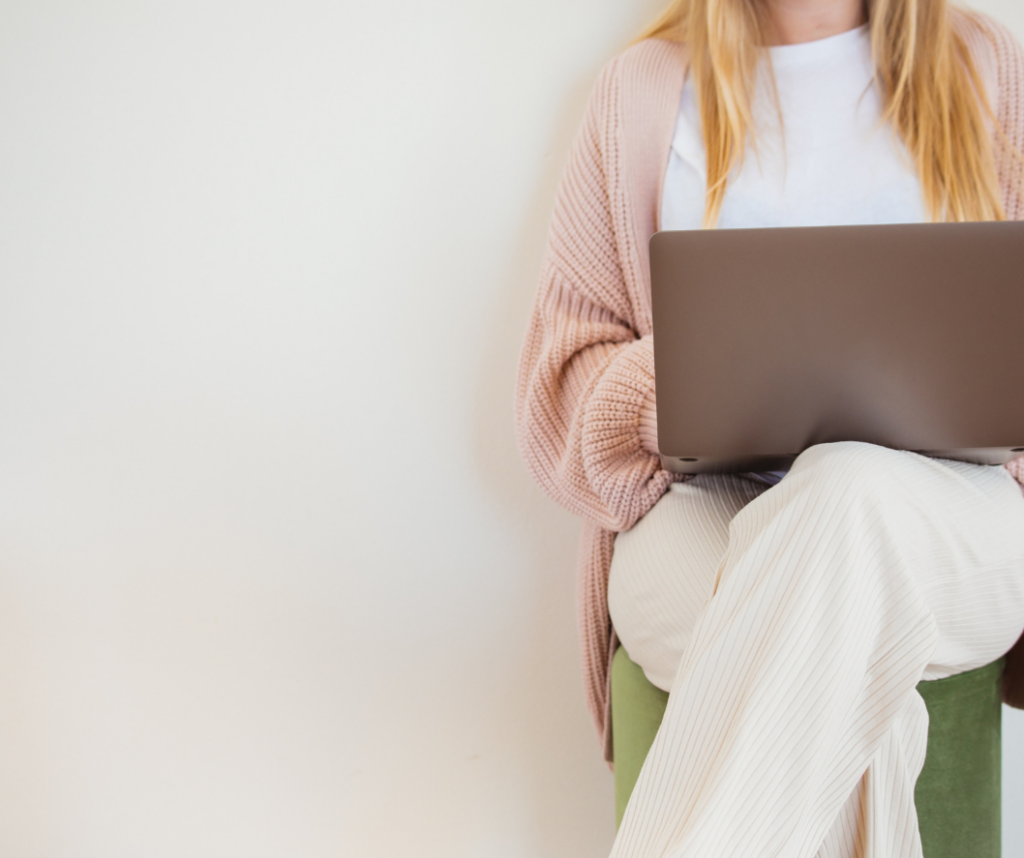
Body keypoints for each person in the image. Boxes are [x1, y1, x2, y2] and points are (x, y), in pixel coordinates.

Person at [514, 0, 1024, 855]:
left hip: (948, 518)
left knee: (847, 488)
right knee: (864, 694)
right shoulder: (641, 93)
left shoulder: (987, 66)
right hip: (701, 511)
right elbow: (558, 390)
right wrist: (678, 376)